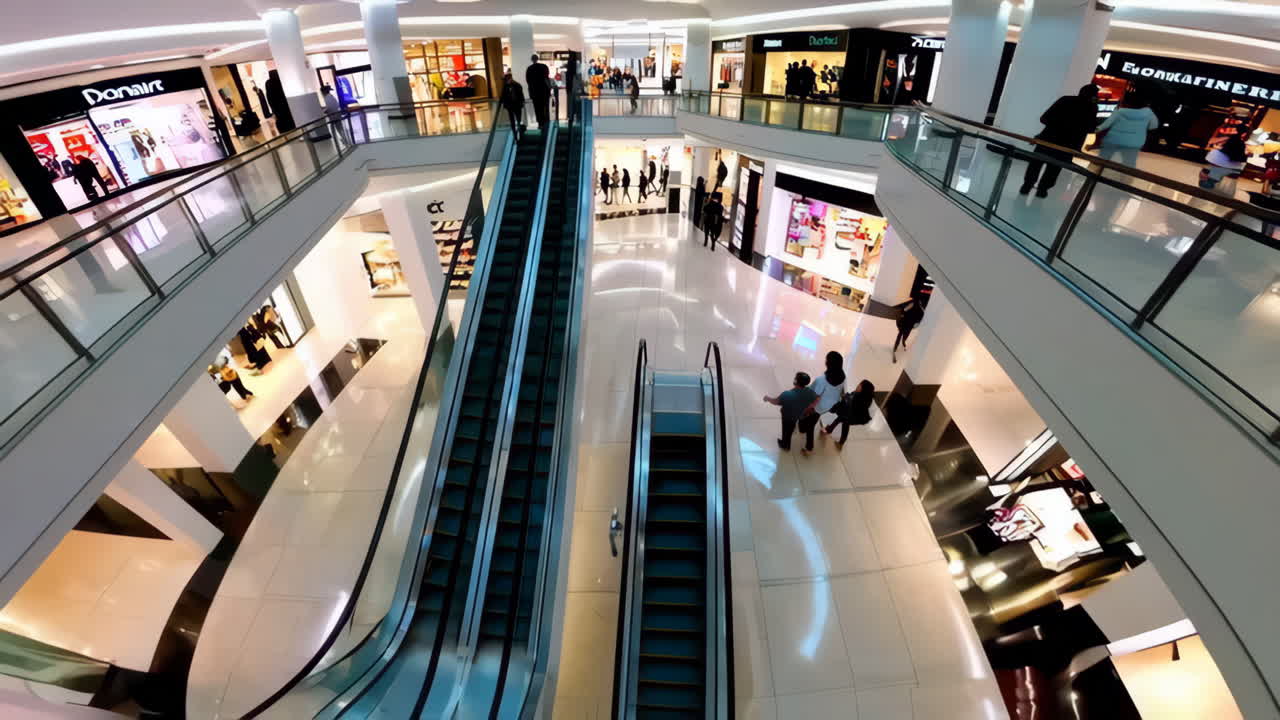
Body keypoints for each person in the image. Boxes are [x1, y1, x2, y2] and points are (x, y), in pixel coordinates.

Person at [1020, 84, 1099, 198]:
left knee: (1036, 164)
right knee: (1054, 168)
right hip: (1068, 145)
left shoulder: (1065, 99)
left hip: (1048, 139)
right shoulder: (1092, 107)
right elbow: (1090, 129)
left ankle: (1026, 186)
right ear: (1094, 96)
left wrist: (1057, 125)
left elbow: (1044, 118)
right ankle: (1043, 190)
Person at [1089, 93, 1159, 168]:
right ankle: (1124, 178)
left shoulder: (1120, 111)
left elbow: (1107, 124)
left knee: (1103, 158)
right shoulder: (1148, 113)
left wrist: (1096, 129)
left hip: (1114, 139)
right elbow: (1154, 126)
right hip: (1134, 142)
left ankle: (1093, 175)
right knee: (1129, 162)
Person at [797, 351, 846, 454]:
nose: (825, 361)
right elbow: (842, 391)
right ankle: (803, 428)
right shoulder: (842, 376)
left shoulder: (822, 380)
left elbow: (814, 395)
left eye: (826, 360)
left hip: (817, 406)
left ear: (828, 364)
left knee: (809, 424)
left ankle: (809, 447)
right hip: (829, 405)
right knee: (813, 419)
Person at [763, 372, 817, 451]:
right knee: (791, 427)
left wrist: (767, 398)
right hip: (799, 414)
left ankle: (785, 445)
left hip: (787, 416)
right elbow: (815, 400)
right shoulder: (810, 392)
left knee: (786, 430)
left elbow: (776, 402)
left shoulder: (787, 394)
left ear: (796, 381)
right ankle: (788, 437)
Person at [825, 380, 876, 448]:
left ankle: (841, 442)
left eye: (859, 385)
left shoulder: (858, 398)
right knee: (840, 419)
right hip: (852, 414)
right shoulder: (865, 397)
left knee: (845, 425)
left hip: (851, 416)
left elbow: (848, 403)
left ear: (863, 389)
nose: (857, 386)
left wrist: (844, 398)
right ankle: (830, 429)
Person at [892, 298, 924, 363]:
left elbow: (904, 310)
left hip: (907, 324)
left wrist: (902, 315)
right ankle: (898, 345)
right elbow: (904, 310)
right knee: (902, 334)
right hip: (907, 324)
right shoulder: (919, 309)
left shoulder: (918, 308)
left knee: (902, 335)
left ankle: (900, 344)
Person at [526, 53, 552, 130]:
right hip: (544, 91)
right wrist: (549, 89)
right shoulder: (544, 67)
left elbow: (528, 82)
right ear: (537, 58)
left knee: (537, 108)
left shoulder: (529, 69)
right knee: (545, 107)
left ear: (532, 60)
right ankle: (546, 122)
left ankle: (540, 123)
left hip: (535, 92)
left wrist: (531, 92)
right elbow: (546, 79)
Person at [500, 73, 526, 142]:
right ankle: (516, 134)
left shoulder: (516, 85)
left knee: (518, 119)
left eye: (506, 80)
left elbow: (520, 95)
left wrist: (521, 102)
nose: (506, 81)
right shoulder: (506, 86)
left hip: (516, 105)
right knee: (513, 120)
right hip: (511, 106)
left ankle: (519, 133)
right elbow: (503, 96)